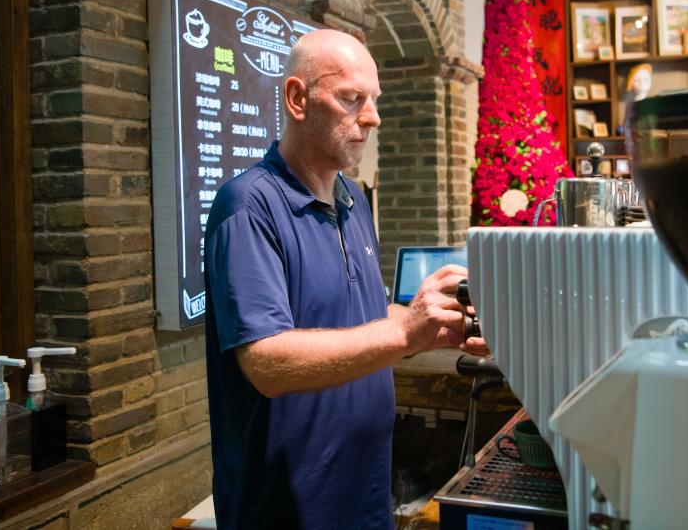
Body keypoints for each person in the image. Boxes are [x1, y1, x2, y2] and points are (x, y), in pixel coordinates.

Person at [203, 29, 488, 529]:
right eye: (352, 98)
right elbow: (266, 362)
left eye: (374, 99)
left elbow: (364, 316)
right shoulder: (248, 206)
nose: (373, 116)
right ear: (297, 98)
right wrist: (404, 332)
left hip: (366, 494)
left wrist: (438, 323)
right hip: (289, 510)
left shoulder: (352, 200)